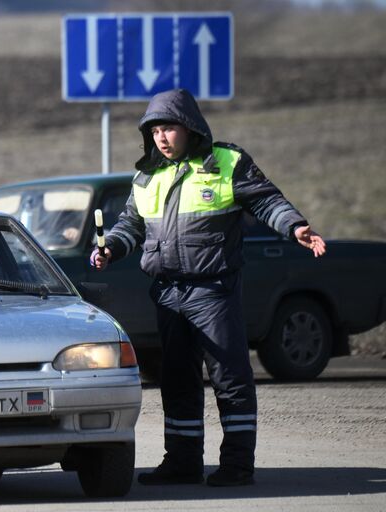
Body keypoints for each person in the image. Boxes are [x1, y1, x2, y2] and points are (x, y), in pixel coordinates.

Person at [91, 88, 326, 487]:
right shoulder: (147, 175)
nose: (162, 138)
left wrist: (295, 226)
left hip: (213, 291)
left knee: (230, 377)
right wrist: (110, 248)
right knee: (178, 378)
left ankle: (237, 465)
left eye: (169, 128)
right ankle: (182, 463)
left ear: (191, 128)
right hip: (167, 292)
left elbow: (267, 202)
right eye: (155, 131)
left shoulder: (227, 163)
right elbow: (131, 224)